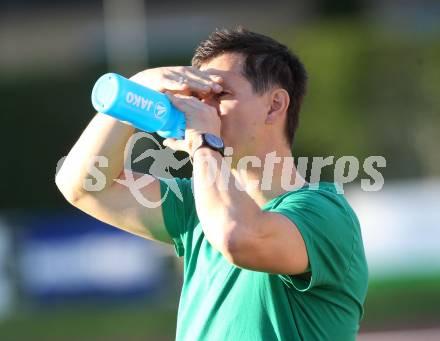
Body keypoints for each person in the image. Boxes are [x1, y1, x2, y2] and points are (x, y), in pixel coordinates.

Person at [56, 27, 368, 340]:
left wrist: (205, 142)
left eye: (219, 95)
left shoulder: (324, 213)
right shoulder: (200, 206)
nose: (204, 110)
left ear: (275, 105)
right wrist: (133, 91)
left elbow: (237, 236)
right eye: (197, 97)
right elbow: (83, 187)